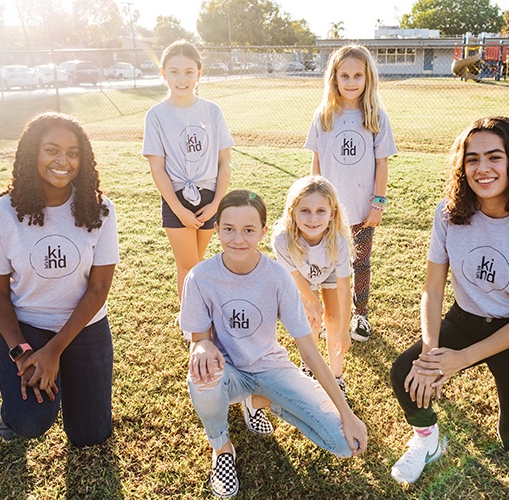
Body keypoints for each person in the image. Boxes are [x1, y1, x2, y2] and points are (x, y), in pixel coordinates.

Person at [389, 116, 509, 483]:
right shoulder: (448, 214)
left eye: (494, 157)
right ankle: (428, 441)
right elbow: (433, 289)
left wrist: (460, 360)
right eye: (472, 159)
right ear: (462, 166)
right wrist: (430, 353)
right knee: (405, 373)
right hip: (466, 319)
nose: (482, 168)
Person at [182, 190, 367, 498]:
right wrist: (202, 346)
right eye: (228, 229)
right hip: (227, 371)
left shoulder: (278, 277)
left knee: (343, 443)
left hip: (270, 368)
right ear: (217, 229)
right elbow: (199, 340)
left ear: (263, 232)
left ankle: (258, 401)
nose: (238, 239)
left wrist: (347, 414)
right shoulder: (200, 277)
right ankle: (222, 449)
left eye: (249, 230)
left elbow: (308, 350)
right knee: (201, 376)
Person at [0, 112, 119, 447]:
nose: (63, 161)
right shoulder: (3, 213)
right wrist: (22, 352)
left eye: (73, 153)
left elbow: (98, 290)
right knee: (29, 421)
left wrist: (55, 351)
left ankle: (69, 371)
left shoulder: (101, 210)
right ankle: (13, 408)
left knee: (90, 435)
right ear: (32, 154)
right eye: (51, 150)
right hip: (27, 328)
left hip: (84, 327)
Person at [142, 40, 232, 342]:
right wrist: (178, 209)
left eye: (189, 71)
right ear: (163, 74)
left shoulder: (212, 111)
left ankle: (190, 313)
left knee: (198, 260)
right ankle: (194, 322)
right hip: (176, 197)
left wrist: (217, 202)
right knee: (189, 264)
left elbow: (225, 163)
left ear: (199, 74)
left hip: (209, 198)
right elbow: (157, 168)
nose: (182, 78)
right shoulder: (156, 114)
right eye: (175, 71)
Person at [306, 44, 397, 342]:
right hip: (329, 212)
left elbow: (381, 164)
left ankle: (361, 316)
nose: (351, 82)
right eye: (344, 75)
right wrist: (313, 203)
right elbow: (317, 161)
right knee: (328, 263)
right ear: (334, 78)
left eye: (358, 75)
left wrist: (378, 204)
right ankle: (330, 316)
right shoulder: (324, 116)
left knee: (361, 263)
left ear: (368, 78)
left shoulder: (376, 117)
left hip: (361, 210)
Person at [271, 175, 354, 405]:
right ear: (292, 212)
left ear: (332, 214)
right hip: (300, 276)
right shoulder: (282, 240)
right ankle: (309, 369)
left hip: (328, 272)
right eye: (305, 211)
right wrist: (312, 302)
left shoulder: (338, 242)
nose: (313, 218)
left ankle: (336, 378)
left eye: (321, 211)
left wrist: (344, 329)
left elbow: (345, 288)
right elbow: (295, 275)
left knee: (334, 320)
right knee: (311, 320)